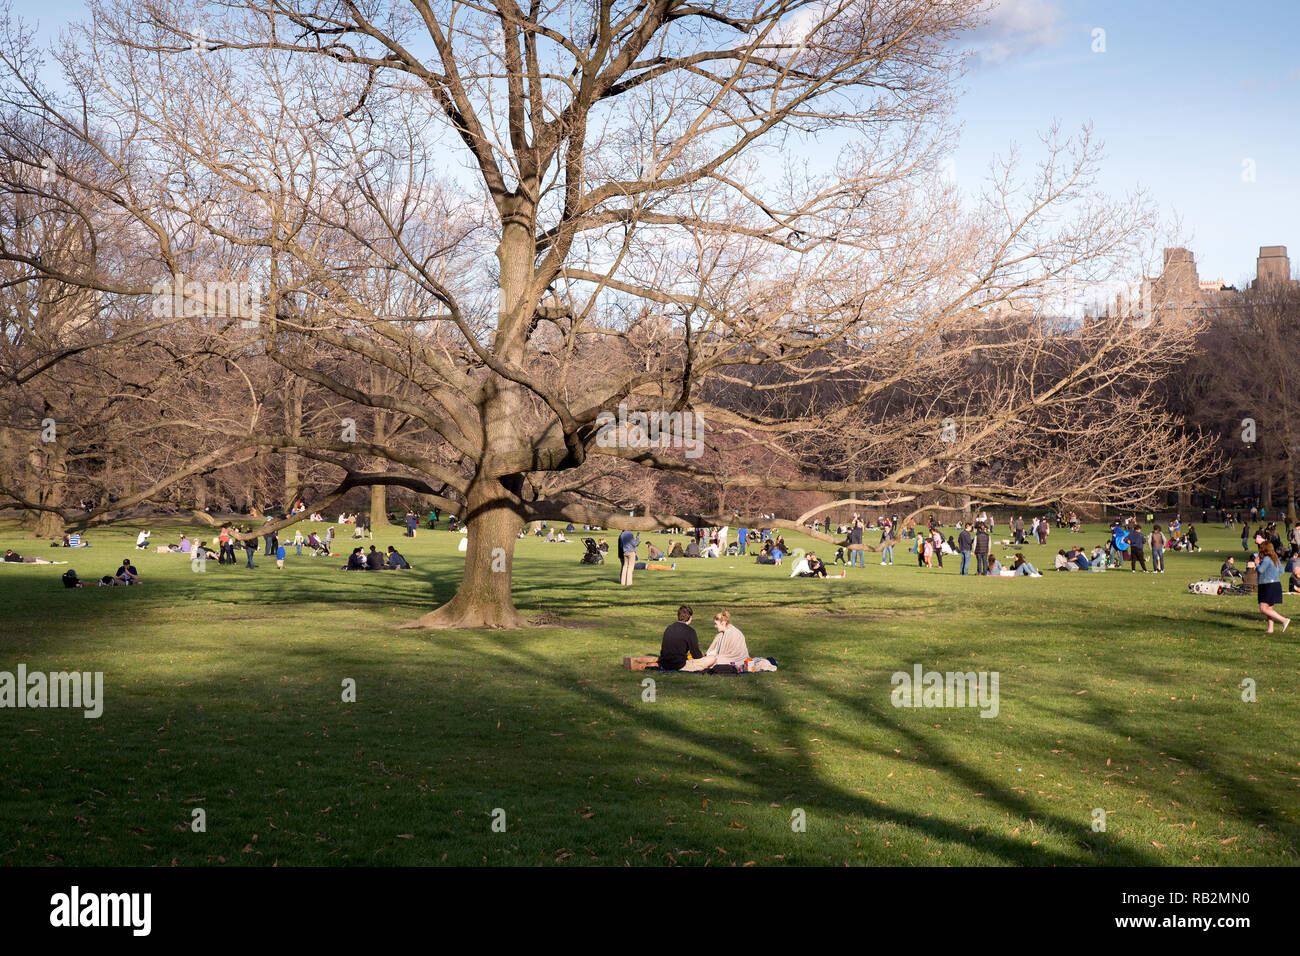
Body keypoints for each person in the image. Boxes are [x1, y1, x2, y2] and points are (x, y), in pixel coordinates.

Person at [682, 609, 752, 672]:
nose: (715, 626)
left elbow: (733, 654)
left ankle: (688, 666)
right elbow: (715, 650)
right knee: (707, 659)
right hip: (719, 657)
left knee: (711, 661)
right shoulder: (720, 635)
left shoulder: (733, 633)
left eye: (716, 624)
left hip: (732, 659)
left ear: (723, 623)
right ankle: (689, 664)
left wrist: (714, 657)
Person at [1255, 541, 1290, 634]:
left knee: (1263, 608)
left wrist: (1257, 564)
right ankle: (1270, 629)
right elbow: (1282, 571)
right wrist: (1273, 575)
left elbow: (1261, 570)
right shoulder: (1275, 558)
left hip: (1267, 585)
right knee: (1269, 608)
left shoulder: (1266, 559)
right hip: (1276, 584)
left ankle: (1284, 620)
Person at [657, 605, 703, 671]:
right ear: (690, 618)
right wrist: (702, 656)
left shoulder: (669, 628)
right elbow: (696, 655)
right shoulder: (690, 631)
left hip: (664, 663)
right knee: (711, 659)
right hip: (678, 665)